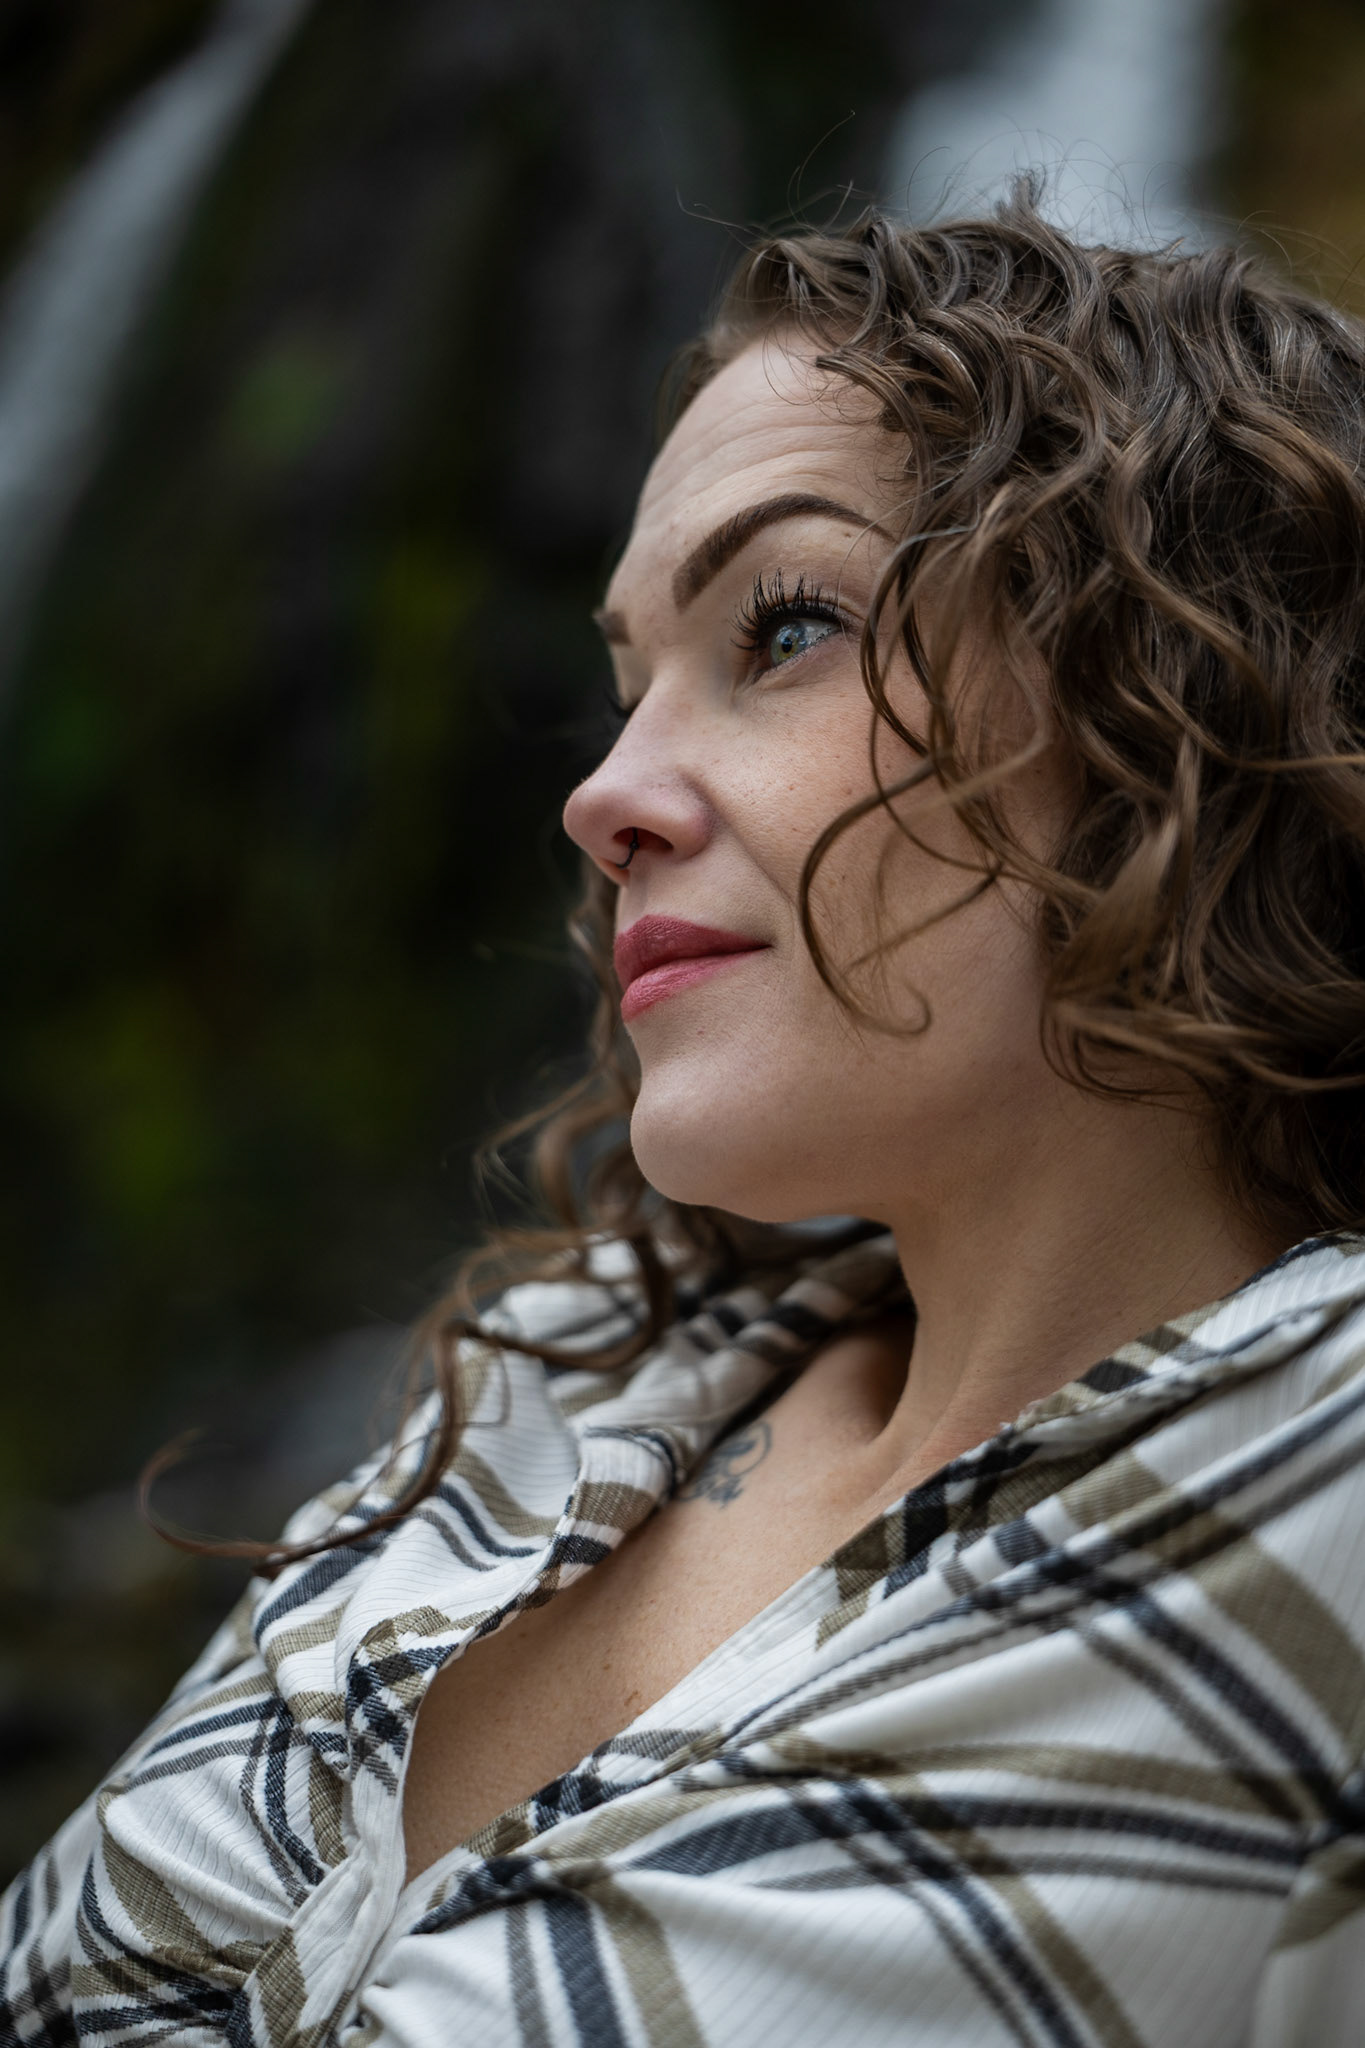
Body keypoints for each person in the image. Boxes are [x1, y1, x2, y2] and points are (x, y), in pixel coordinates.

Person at [6, 184, 1365, 2048]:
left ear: (1180, 688)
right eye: (624, 684)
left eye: (783, 627)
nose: (602, 796)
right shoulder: (564, 1362)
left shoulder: (1323, 1453)